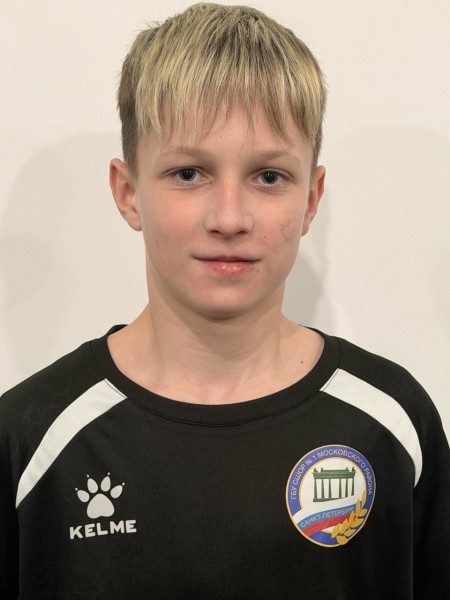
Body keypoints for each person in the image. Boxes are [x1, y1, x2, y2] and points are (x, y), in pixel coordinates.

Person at [1, 3, 449, 598]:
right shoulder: (30, 439)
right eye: (189, 173)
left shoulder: (391, 423)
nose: (230, 218)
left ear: (311, 199)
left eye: (269, 176)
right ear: (128, 192)